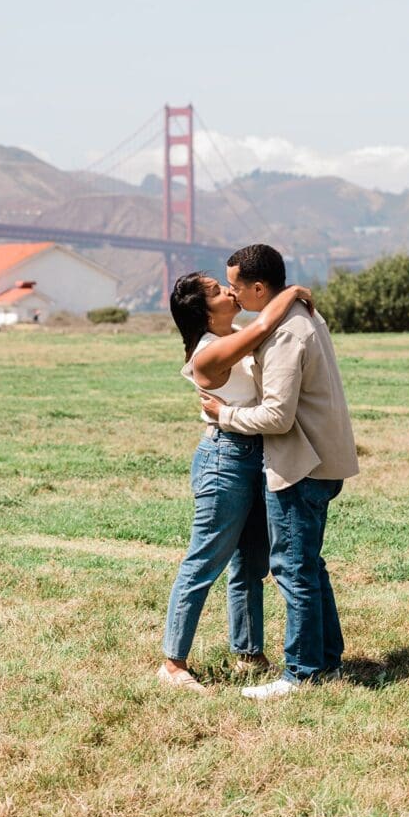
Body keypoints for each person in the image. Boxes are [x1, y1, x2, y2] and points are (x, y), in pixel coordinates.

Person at [201, 244, 359, 700]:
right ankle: (326, 660)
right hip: (322, 460)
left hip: (301, 464)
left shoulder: (286, 333)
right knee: (309, 564)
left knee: (291, 568)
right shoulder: (300, 315)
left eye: (234, 286)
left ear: (256, 287)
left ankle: (302, 673)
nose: (230, 294)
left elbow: (277, 418)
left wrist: (223, 415)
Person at [158, 272, 315, 693]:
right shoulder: (210, 352)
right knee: (204, 560)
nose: (229, 291)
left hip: (256, 454)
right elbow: (266, 325)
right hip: (225, 458)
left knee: (250, 561)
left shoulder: (235, 334)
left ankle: (247, 652)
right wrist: (291, 292)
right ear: (203, 312)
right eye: (215, 291)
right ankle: (173, 663)